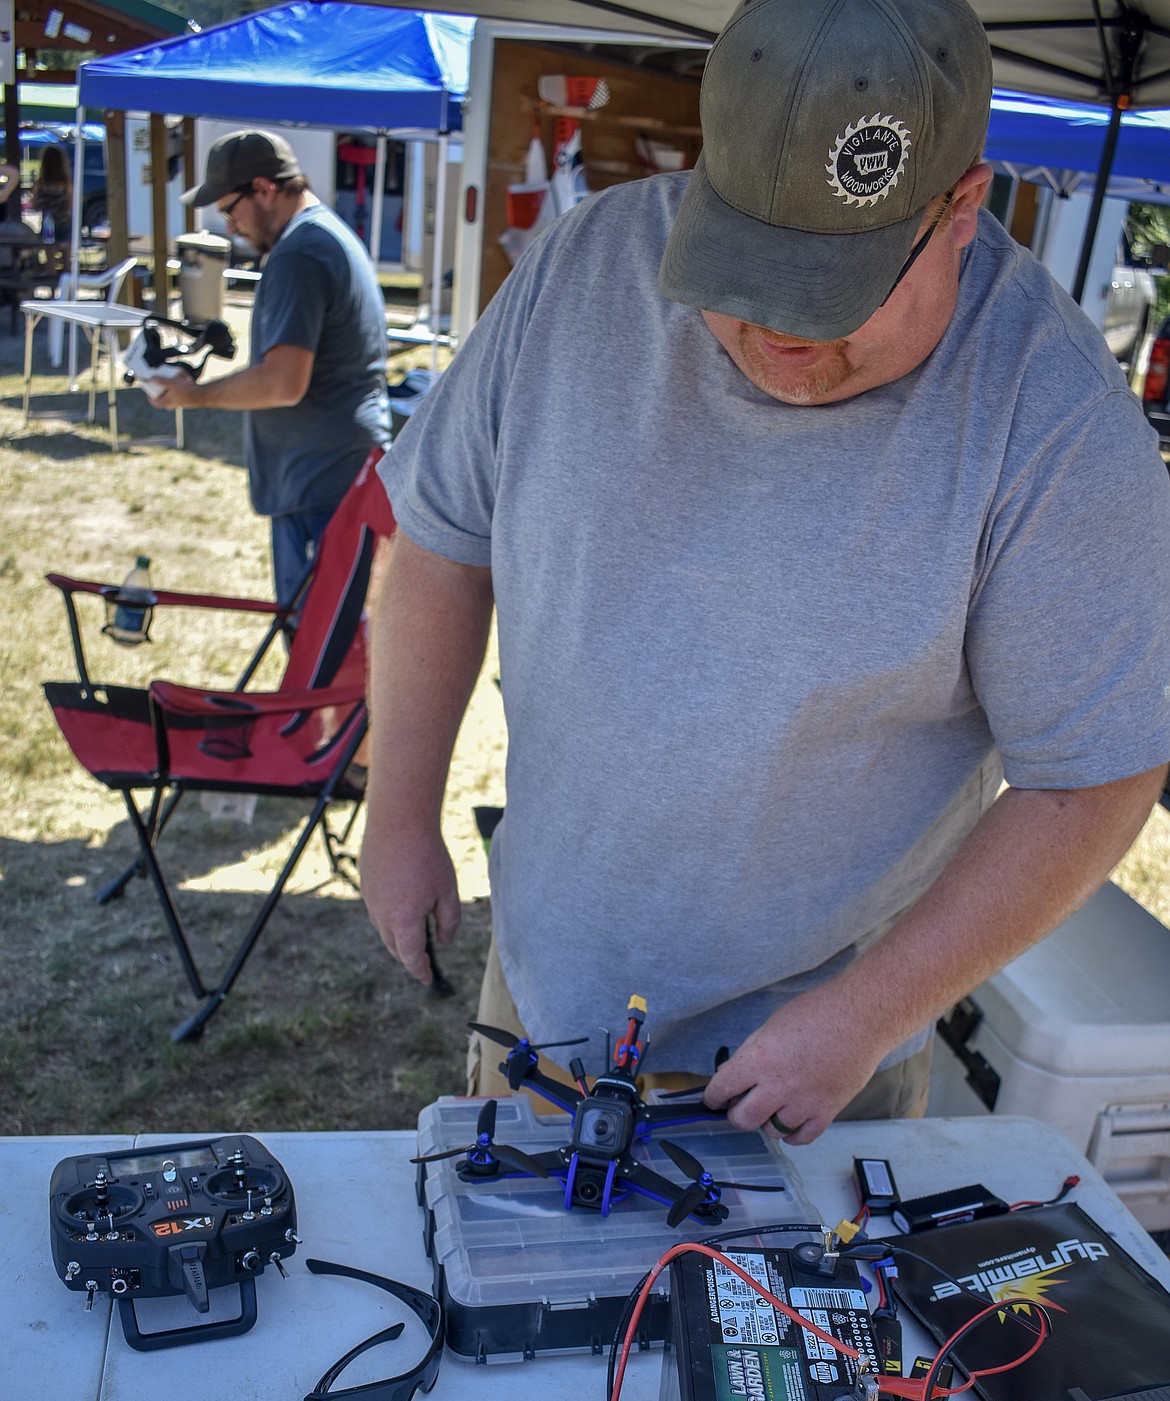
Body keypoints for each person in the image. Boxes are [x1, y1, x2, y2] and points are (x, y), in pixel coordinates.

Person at [359, 0, 1170, 1145]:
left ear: (963, 208)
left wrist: (862, 1018)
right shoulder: (586, 264)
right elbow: (442, 540)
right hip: (541, 987)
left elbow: (1089, 779)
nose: (779, 334)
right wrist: (399, 812)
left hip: (816, 1059)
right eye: (744, 269)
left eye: (834, 291)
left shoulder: (1056, 425)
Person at [154, 130, 391, 607]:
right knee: (339, 653)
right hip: (337, 473)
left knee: (319, 655)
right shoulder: (327, 234)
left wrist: (192, 396)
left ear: (263, 188)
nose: (231, 227)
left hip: (318, 484)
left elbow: (283, 383)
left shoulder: (299, 254)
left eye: (229, 210)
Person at [30, 143, 71, 243]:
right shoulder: (65, 183)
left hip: (47, 221)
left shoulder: (40, 184)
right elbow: (71, 203)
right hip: (64, 221)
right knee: (67, 255)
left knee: (49, 253)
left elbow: (34, 204)